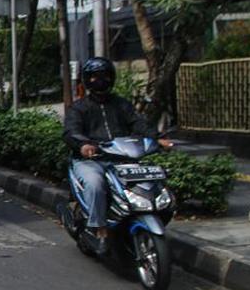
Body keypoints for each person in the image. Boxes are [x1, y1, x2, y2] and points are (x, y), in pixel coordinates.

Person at [63, 57, 173, 254]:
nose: (100, 80)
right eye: (95, 76)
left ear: (111, 77)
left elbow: (139, 123)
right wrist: (84, 145)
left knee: (153, 180)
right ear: (87, 80)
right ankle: (99, 229)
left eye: (104, 75)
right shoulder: (78, 108)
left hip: (123, 159)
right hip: (91, 161)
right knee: (95, 184)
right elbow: (71, 131)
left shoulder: (122, 105)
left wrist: (158, 138)